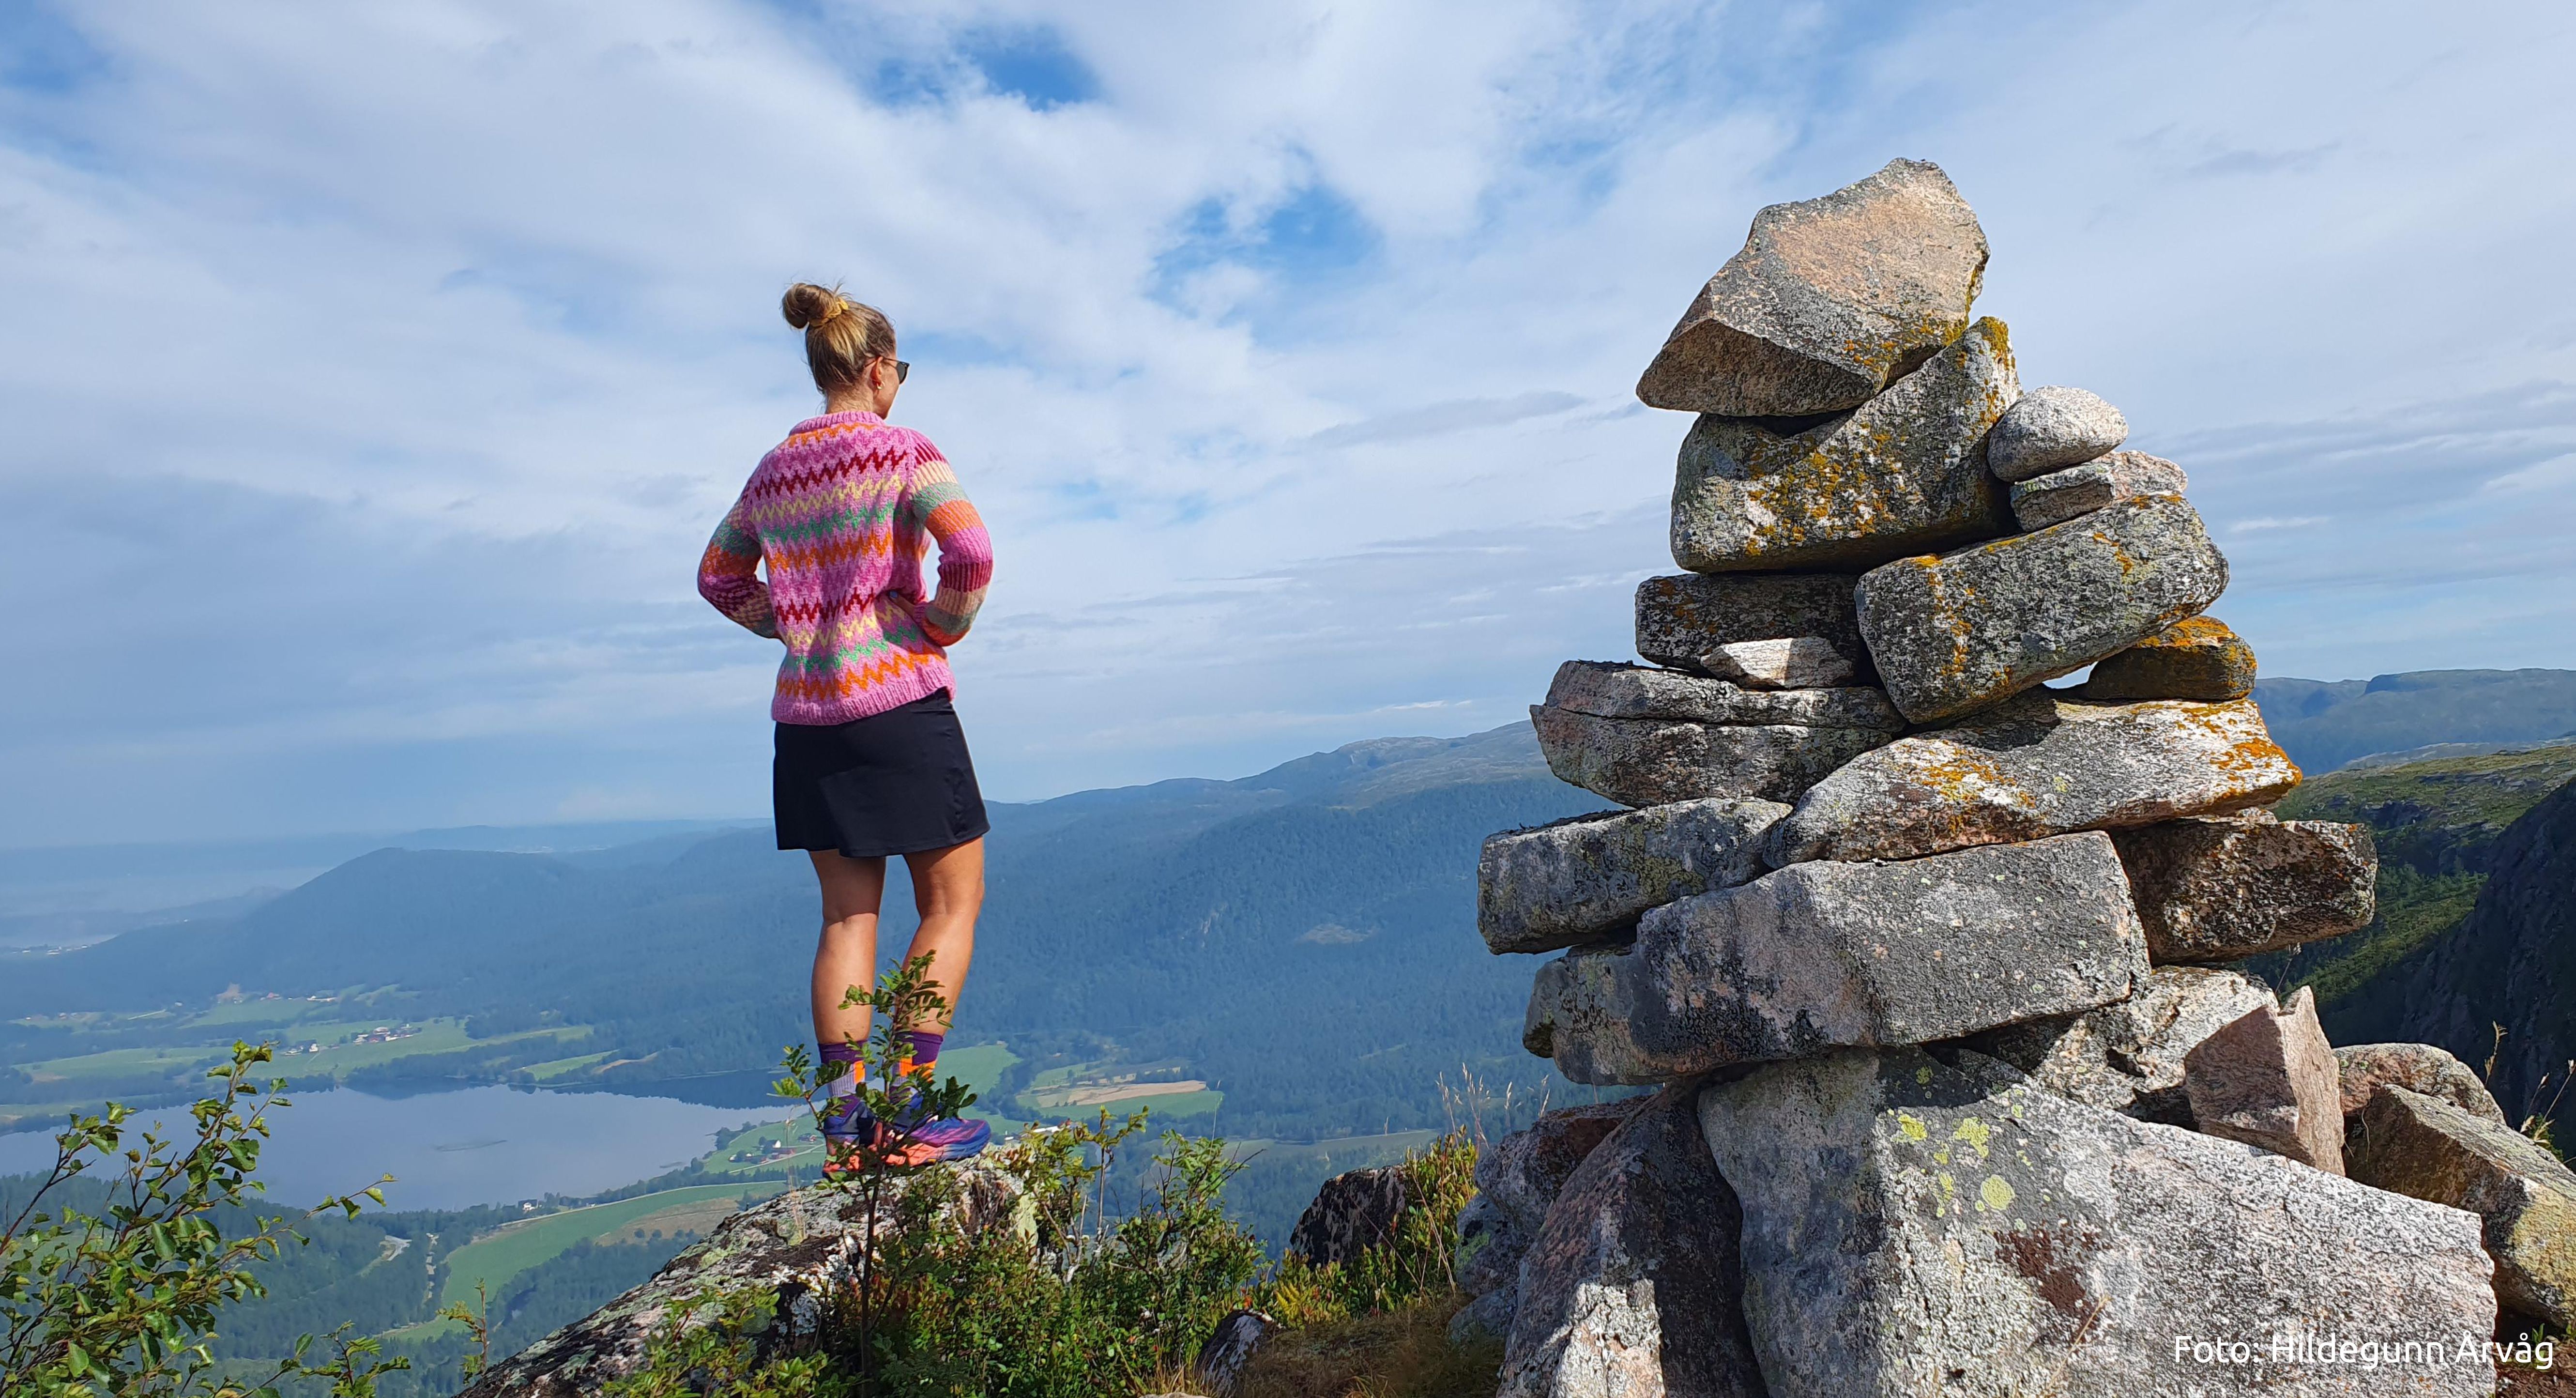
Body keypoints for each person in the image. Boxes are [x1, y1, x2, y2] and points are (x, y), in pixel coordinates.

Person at [697, 282, 995, 1167]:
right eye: (899, 370)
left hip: (808, 720)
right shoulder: (904, 451)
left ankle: (843, 1125)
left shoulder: (773, 470)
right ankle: (908, 1113)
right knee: (950, 903)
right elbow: (971, 549)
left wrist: (791, 627)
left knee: (844, 921)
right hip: (900, 704)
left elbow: (718, 575)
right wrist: (938, 626)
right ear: (878, 369)